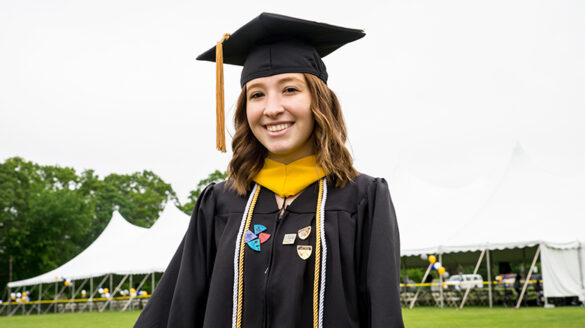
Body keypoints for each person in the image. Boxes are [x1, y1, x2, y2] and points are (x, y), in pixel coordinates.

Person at [134, 13, 404, 328]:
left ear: (320, 101)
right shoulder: (219, 204)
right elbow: (178, 308)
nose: (272, 108)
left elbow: (383, 312)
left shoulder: (362, 199)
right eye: (257, 94)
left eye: (289, 90)